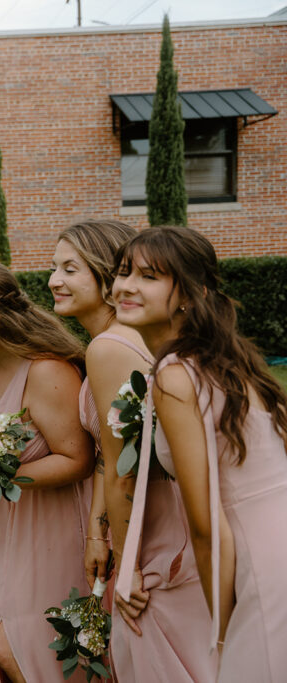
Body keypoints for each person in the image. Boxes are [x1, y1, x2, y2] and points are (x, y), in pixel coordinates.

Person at [113, 225, 287, 682]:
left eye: (149, 276)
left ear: (190, 294)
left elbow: (209, 528)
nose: (126, 286)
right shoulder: (226, 359)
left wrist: (223, 630)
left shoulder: (175, 375)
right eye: (124, 271)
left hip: (264, 560)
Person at [51, 220, 217, 681]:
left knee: (160, 655)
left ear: (105, 277)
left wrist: (127, 563)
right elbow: (113, 452)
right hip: (150, 514)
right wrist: (96, 532)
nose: (54, 281)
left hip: (157, 524)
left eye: (70, 268)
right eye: (53, 267)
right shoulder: (119, 340)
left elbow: (126, 468)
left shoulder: (108, 348)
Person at [0, 259, 94, 683]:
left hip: (49, 528)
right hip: (0, 527)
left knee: (17, 649)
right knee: (0, 642)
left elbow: (77, 459)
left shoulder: (46, 372)